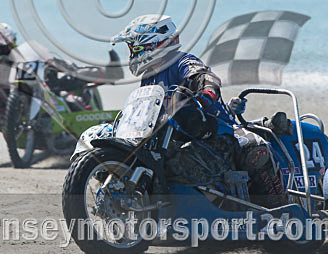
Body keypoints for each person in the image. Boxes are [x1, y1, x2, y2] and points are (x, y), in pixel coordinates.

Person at [111, 14, 286, 206]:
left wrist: (207, 91)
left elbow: (203, 75)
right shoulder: (149, 77)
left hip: (217, 131)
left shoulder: (180, 61)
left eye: (134, 48)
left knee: (254, 148)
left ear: (154, 43)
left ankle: (280, 211)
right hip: (178, 138)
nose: (132, 53)